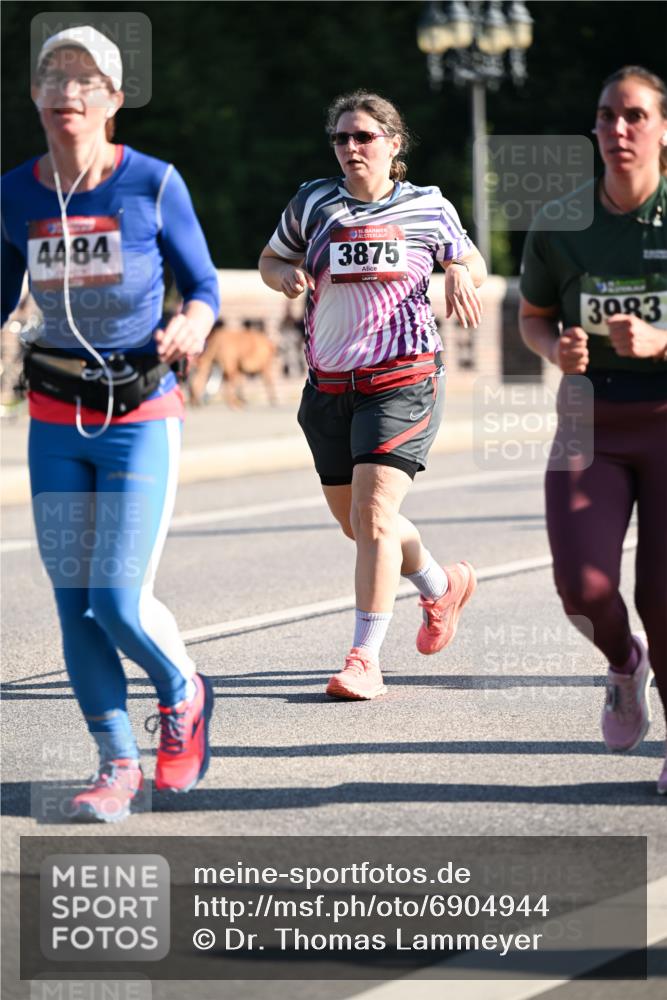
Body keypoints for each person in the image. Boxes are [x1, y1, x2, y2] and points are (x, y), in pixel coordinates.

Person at [1, 26, 220, 820]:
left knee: (117, 601)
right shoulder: (14, 194)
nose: (68, 91)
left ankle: (182, 690)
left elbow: (205, 286)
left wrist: (193, 321)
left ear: (114, 100)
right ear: (36, 95)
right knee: (73, 604)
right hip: (54, 417)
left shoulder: (152, 183)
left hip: (139, 415)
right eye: (54, 76)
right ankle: (116, 764)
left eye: (86, 80)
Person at [259, 90, 486, 700]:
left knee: (376, 515)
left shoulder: (428, 206)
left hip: (402, 379)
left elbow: (471, 261)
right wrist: (284, 275)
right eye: (341, 137)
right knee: (358, 525)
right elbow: (270, 258)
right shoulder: (313, 203)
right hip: (330, 386)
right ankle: (441, 586)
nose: (351, 147)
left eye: (363, 136)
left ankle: (365, 658)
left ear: (394, 143)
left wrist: (458, 268)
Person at [519, 66, 667, 794]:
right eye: (607, 116)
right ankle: (622, 663)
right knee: (581, 587)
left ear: (662, 130)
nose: (618, 129)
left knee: (664, 597)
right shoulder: (560, 222)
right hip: (589, 417)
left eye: (635, 115)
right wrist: (558, 350)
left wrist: (662, 341)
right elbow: (532, 317)